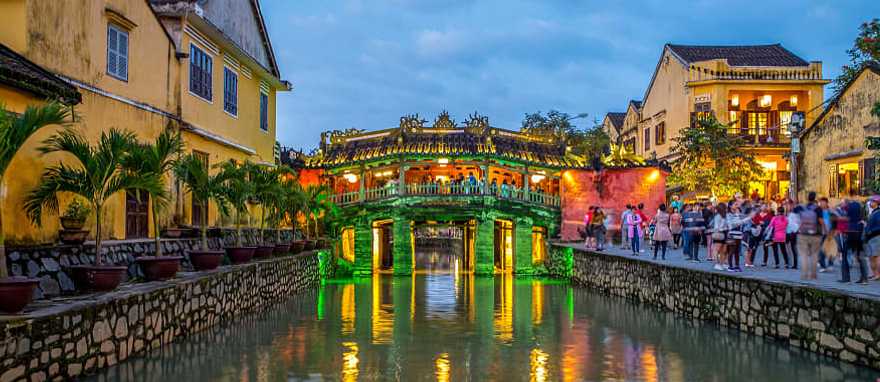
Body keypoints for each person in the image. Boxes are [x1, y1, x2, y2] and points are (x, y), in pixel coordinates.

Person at [796, 192, 825, 280]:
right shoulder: (818, 209)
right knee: (814, 254)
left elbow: (797, 219)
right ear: (815, 198)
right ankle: (813, 275)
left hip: (803, 234)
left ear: (807, 198)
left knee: (804, 255)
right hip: (816, 234)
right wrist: (825, 230)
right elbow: (821, 221)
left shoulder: (802, 208)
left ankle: (804, 275)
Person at [841, 200, 870, 284]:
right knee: (861, 257)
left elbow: (844, 229)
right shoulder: (861, 220)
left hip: (850, 236)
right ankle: (864, 278)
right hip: (859, 238)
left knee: (845, 255)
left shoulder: (848, 217)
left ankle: (846, 278)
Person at [707, 203, 729, 270]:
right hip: (719, 233)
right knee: (717, 249)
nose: (726, 209)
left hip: (725, 233)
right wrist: (723, 228)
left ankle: (722, 263)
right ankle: (717, 263)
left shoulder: (725, 216)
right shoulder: (718, 216)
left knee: (724, 250)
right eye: (725, 208)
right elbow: (717, 227)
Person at [863, 195, 880, 281]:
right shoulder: (874, 212)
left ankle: (877, 274)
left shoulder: (878, 212)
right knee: (872, 256)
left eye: (872, 201)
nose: (870, 203)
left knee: (876, 256)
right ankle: (875, 274)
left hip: (875, 236)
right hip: (871, 237)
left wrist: (870, 231)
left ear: (876, 203)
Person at [786, 203, 802, 269]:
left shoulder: (791, 215)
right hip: (795, 232)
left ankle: (789, 263)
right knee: (794, 248)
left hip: (790, 232)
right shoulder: (800, 216)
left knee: (789, 248)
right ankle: (795, 264)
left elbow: (788, 223)